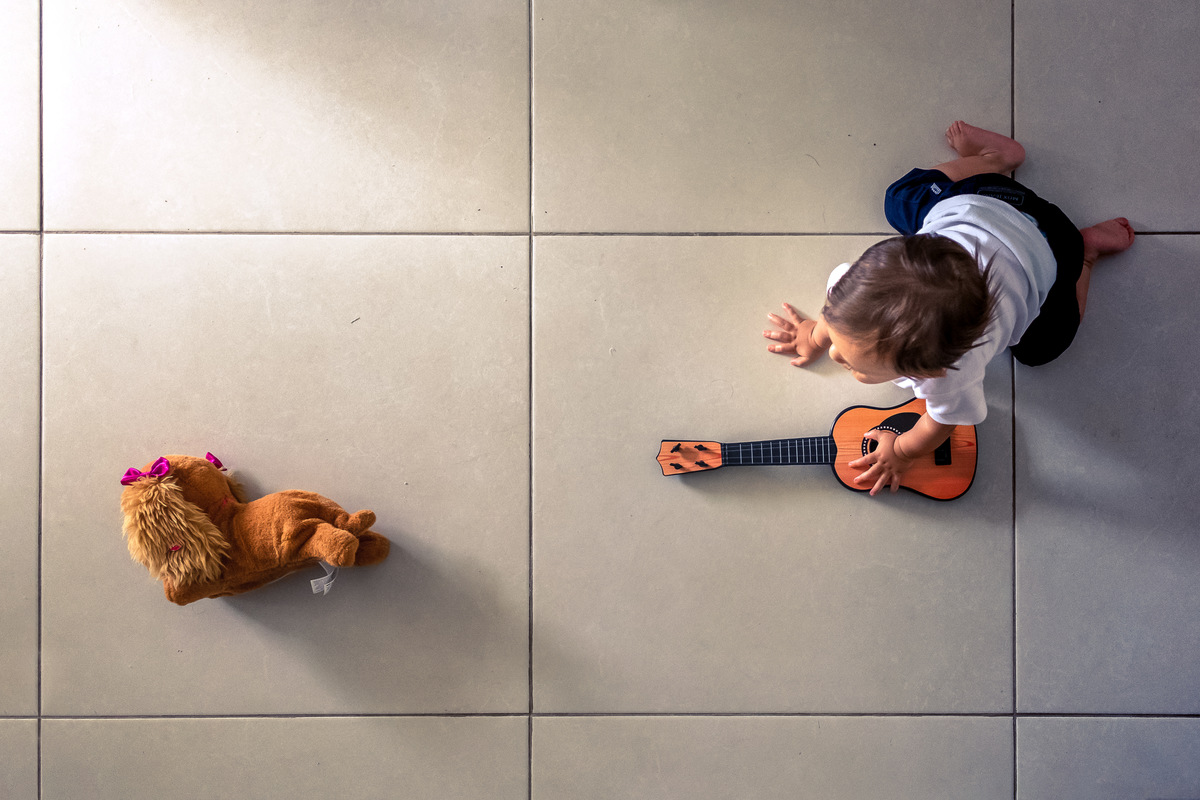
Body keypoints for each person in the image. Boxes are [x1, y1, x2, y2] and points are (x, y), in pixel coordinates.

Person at [763, 121, 1135, 496]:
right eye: (837, 343)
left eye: (853, 365)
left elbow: (942, 421)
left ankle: (1087, 255)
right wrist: (815, 331)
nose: (833, 354)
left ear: (930, 371)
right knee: (899, 198)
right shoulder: (851, 287)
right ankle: (994, 159)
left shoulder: (951, 375)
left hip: (1055, 244)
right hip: (987, 198)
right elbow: (838, 312)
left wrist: (903, 451)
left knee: (1043, 347)